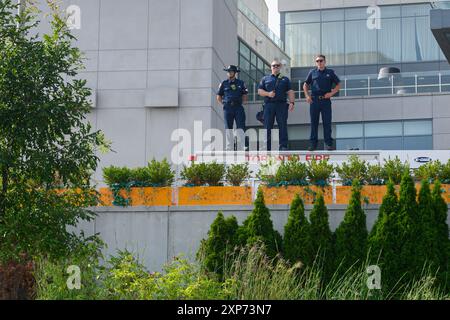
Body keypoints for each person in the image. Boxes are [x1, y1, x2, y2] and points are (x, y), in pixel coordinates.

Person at [303, 54, 341, 151]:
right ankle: (313, 145)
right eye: (317, 61)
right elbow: (305, 85)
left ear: (324, 61)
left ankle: (328, 144)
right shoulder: (312, 72)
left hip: (326, 101)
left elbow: (338, 84)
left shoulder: (330, 72)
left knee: (327, 123)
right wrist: (307, 96)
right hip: (314, 100)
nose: (319, 62)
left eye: (321, 60)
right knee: (313, 123)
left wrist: (331, 93)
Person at [258, 59, 295, 151]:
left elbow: (290, 91)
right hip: (269, 105)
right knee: (267, 125)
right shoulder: (265, 79)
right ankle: (267, 146)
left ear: (280, 67)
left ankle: (283, 145)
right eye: (273, 65)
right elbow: (260, 91)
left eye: (277, 65)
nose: (275, 67)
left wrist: (292, 102)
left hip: (281, 105)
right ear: (271, 67)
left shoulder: (285, 79)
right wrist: (268, 94)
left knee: (282, 125)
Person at [216, 65, 248, 151]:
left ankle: (241, 145)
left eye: (231, 71)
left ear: (235, 73)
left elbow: (245, 94)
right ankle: (229, 146)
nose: (229, 73)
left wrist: (243, 102)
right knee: (228, 127)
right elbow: (218, 96)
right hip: (228, 107)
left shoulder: (241, 83)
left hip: (238, 107)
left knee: (241, 126)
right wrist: (224, 104)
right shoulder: (223, 83)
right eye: (228, 71)